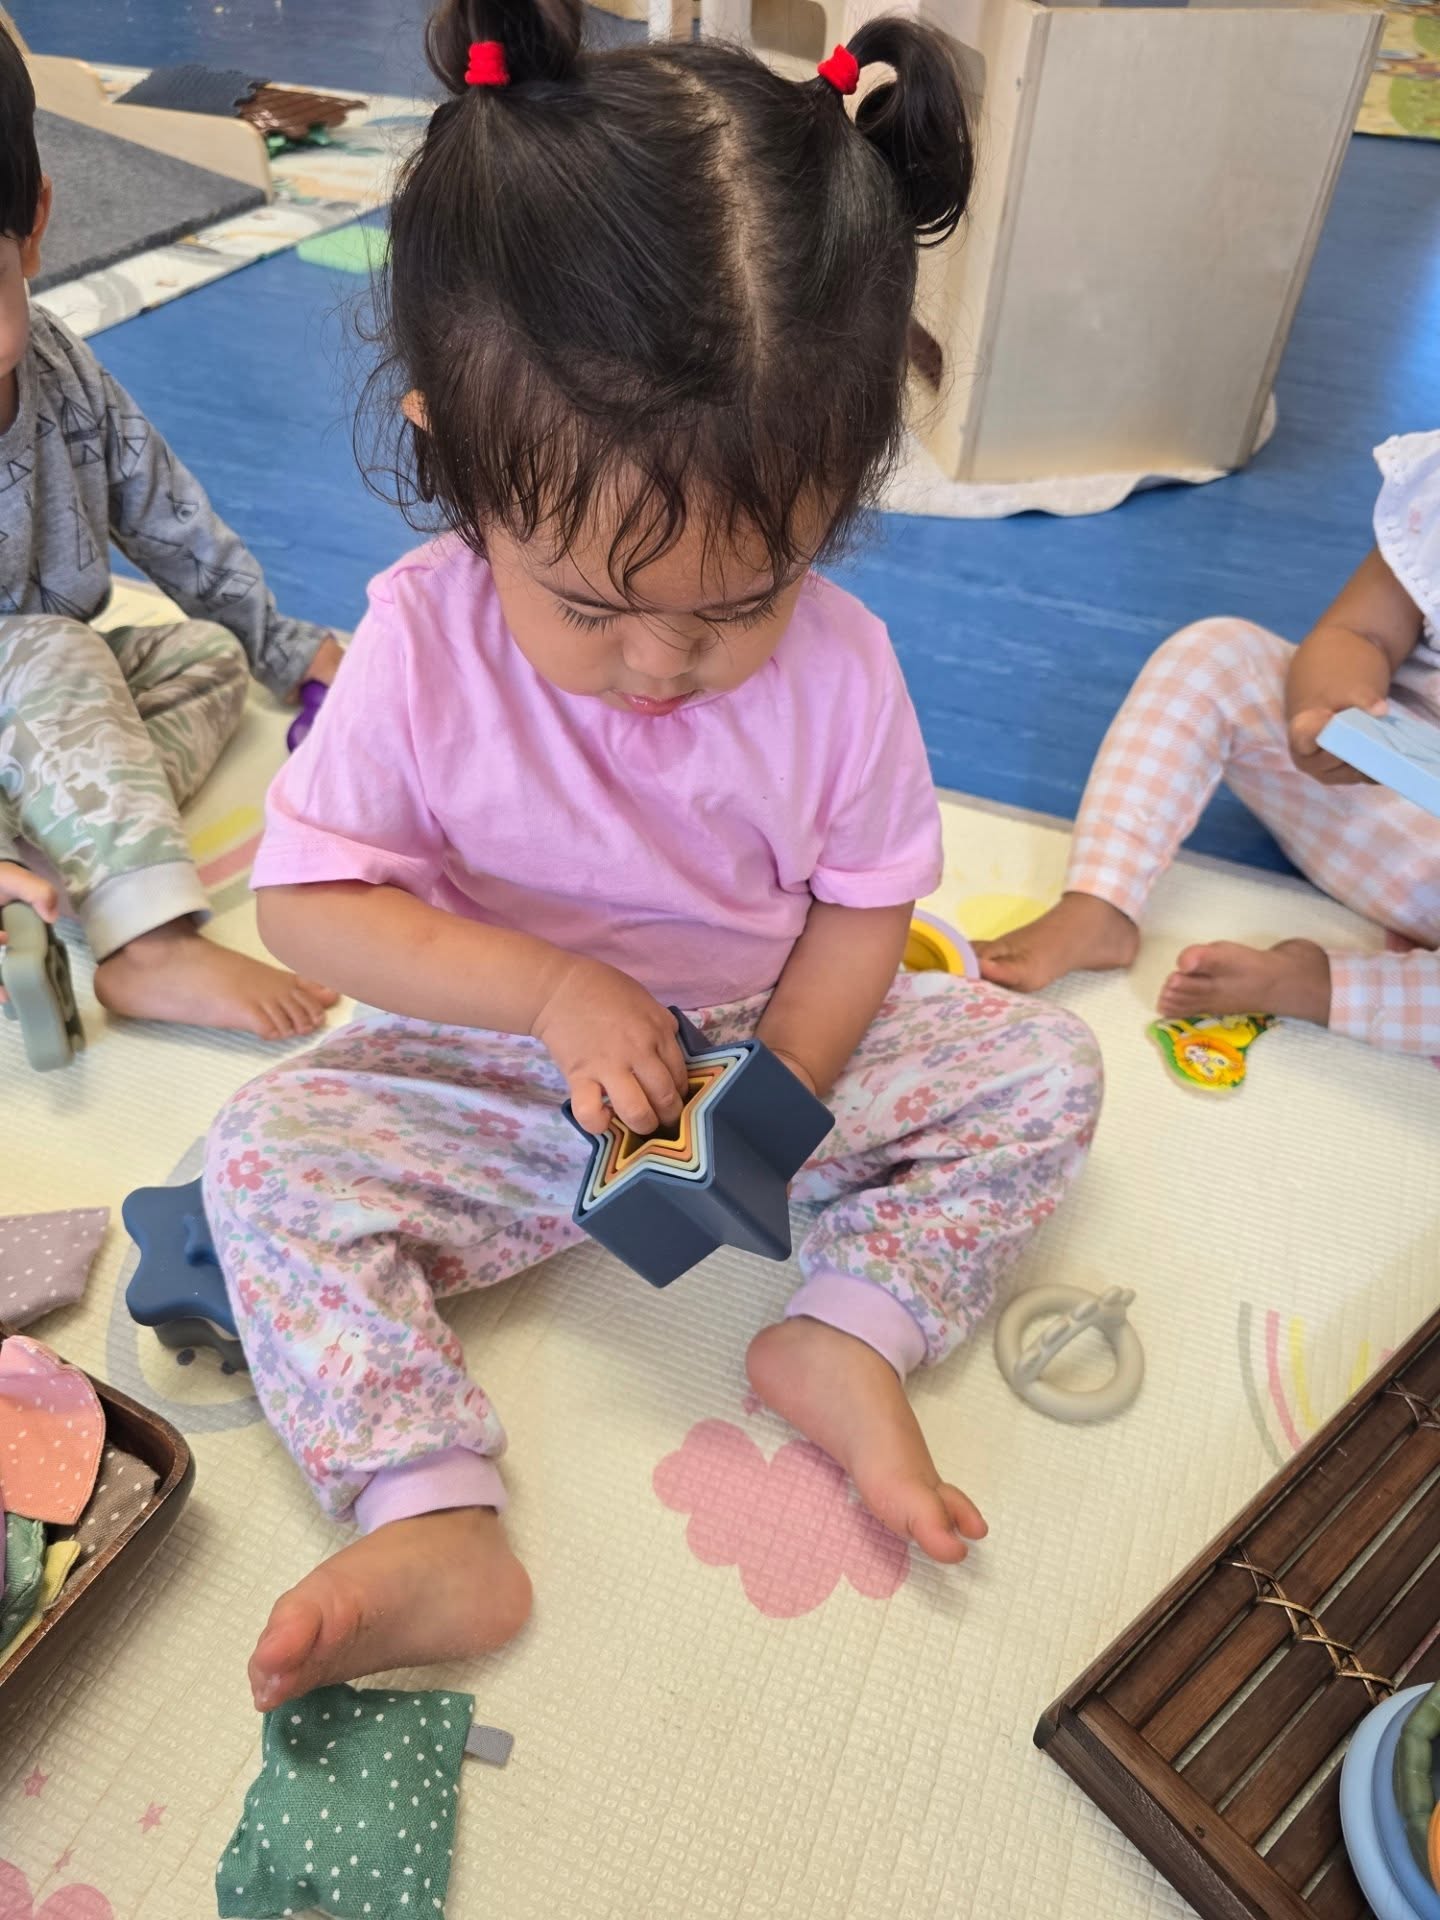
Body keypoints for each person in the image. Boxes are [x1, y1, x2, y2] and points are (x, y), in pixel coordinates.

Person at [204, 0, 1102, 1711]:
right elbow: (307, 904)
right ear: (457, 469)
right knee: (265, 1155)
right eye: (597, 607)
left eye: (739, 602)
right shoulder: (417, 649)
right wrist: (547, 991)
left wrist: (776, 1109)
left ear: (835, 497)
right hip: (499, 1064)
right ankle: (428, 1499)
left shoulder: (841, 675)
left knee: (1043, 1074)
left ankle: (842, 1335)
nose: (662, 666)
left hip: (754, 1055)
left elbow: (862, 912)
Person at [0, 23, 340, 1041]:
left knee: (207, 658)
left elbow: (166, 513)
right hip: (37, 678)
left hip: (42, 709)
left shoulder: (59, 371)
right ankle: (144, 944)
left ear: (34, 230)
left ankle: (51, 868)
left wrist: (284, 646)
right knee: (51, 649)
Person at [978, 432, 1440, 1057]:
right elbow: (1357, 633)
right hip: (1382, 812)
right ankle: (1100, 904)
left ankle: (1316, 986)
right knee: (1216, 654)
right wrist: (1330, 708)